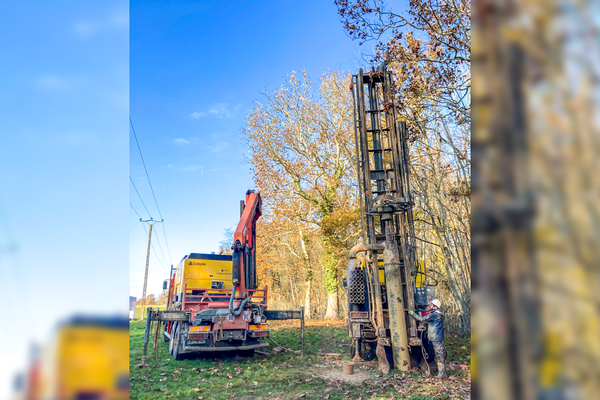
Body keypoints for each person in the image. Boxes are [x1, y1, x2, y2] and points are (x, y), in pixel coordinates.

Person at [408, 299, 447, 378]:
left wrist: (412, 314)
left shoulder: (435, 314)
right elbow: (431, 323)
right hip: (435, 337)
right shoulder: (435, 314)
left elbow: (422, 318)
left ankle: (442, 373)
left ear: (435, 307)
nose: (430, 306)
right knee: (438, 354)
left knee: (439, 355)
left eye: (432, 305)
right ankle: (441, 371)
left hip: (436, 337)